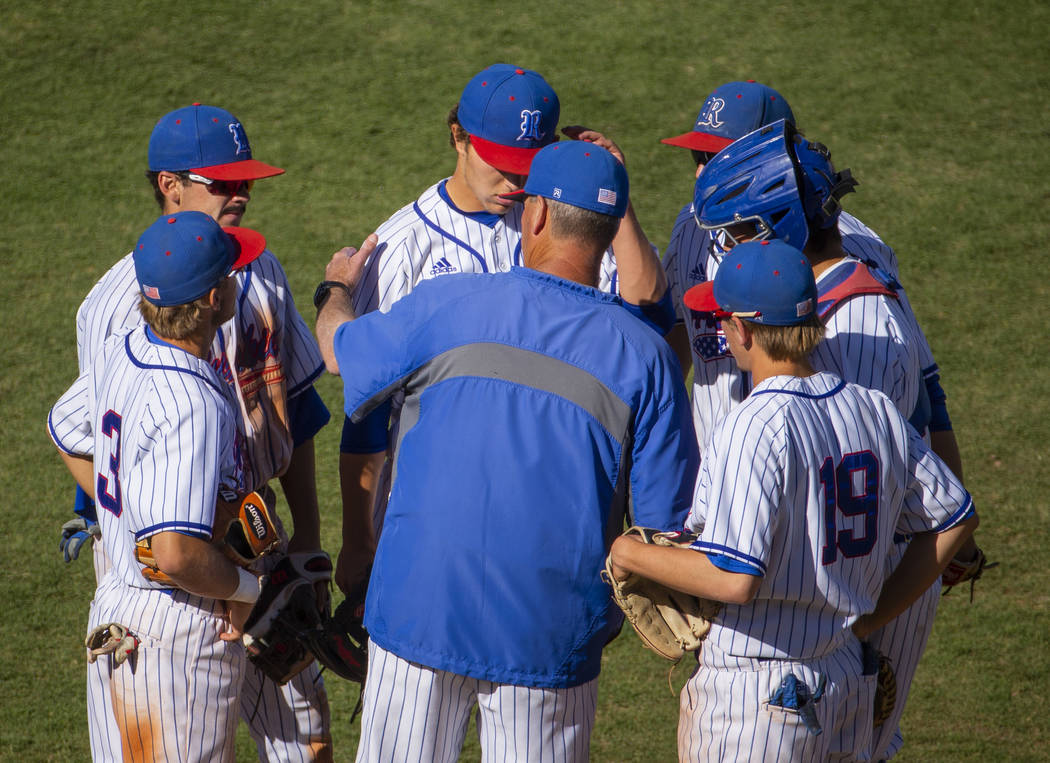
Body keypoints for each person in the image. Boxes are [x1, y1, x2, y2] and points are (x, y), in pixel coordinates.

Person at [314, 141, 698, 762]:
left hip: (419, 609)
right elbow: (660, 532)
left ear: (537, 215)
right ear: (607, 232)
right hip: (550, 635)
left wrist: (334, 289)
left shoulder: (448, 304)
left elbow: (338, 351)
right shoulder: (648, 358)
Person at [608, 239, 978, 761]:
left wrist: (629, 554)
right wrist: (871, 617)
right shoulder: (872, 408)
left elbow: (735, 578)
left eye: (722, 320)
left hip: (758, 701)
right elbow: (955, 518)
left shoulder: (755, 424)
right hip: (846, 678)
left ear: (744, 329)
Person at [690, 117, 984, 759]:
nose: (729, 250)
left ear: (782, 228)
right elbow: (930, 403)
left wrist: (864, 631)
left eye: (740, 232)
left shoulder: (854, 322)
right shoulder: (833, 297)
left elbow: (854, 481)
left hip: (861, 590)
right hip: (835, 595)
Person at [334, 62, 674, 599]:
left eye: (528, 166)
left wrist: (617, 195)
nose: (516, 182)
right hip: (428, 518)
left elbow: (652, 318)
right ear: (458, 139)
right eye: (503, 164)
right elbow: (366, 412)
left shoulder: (564, 217)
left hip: (545, 516)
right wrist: (357, 540)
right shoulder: (403, 248)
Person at [64, 104, 333, 761]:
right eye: (224, 182)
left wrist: (307, 544)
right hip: (171, 576)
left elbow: (295, 405)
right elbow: (80, 435)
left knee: (306, 737)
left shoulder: (257, 264)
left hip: (259, 551)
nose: (242, 193)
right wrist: (170, 525)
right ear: (170, 185)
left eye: (248, 181)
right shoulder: (115, 308)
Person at [48, 211, 269, 762]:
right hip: (176, 638)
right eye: (230, 274)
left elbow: (65, 428)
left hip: (116, 608)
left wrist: (123, 508)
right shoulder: (190, 400)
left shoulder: (122, 347)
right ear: (213, 297)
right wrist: (247, 590)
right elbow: (174, 554)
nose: (238, 280)